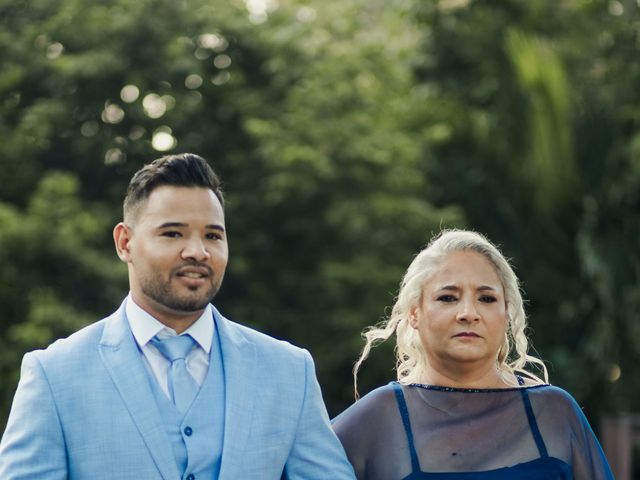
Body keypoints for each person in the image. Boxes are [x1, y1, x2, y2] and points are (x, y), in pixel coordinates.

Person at [0, 153, 355, 479]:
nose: (197, 252)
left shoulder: (289, 371)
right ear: (125, 243)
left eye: (213, 236)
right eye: (173, 233)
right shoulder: (54, 375)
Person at [332, 229, 613, 479]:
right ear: (414, 314)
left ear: (506, 315)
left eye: (487, 298)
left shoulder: (554, 412)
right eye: (448, 297)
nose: (468, 313)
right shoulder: (378, 418)